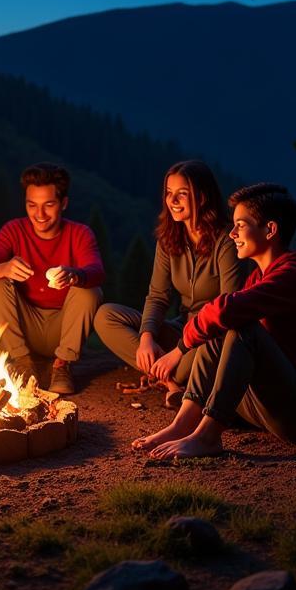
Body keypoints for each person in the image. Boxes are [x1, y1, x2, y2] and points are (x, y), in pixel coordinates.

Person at [132, 182, 296, 459]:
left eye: (240, 225)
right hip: (271, 406)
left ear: (270, 230)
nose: (232, 233)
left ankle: (207, 437)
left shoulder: (293, 276)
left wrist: (179, 350)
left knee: (242, 326)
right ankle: (183, 424)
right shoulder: (259, 277)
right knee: (225, 328)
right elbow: (220, 318)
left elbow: (223, 310)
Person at [94, 160, 249, 406]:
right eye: (169, 193)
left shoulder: (226, 241)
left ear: (202, 196)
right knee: (105, 316)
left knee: (186, 362)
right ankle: (171, 383)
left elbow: (228, 308)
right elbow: (158, 296)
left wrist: (178, 352)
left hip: (212, 337)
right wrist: (146, 337)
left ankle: (174, 376)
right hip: (181, 327)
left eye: (182, 194)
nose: (172, 201)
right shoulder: (169, 240)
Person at [0, 162, 105, 395]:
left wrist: (76, 275)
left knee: (90, 290)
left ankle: (62, 365)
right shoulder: (14, 230)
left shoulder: (79, 233)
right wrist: (3, 268)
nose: (39, 214)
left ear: (63, 204)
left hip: (63, 326)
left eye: (49, 205)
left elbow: (97, 272)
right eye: (32, 205)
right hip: (26, 326)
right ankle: (23, 363)